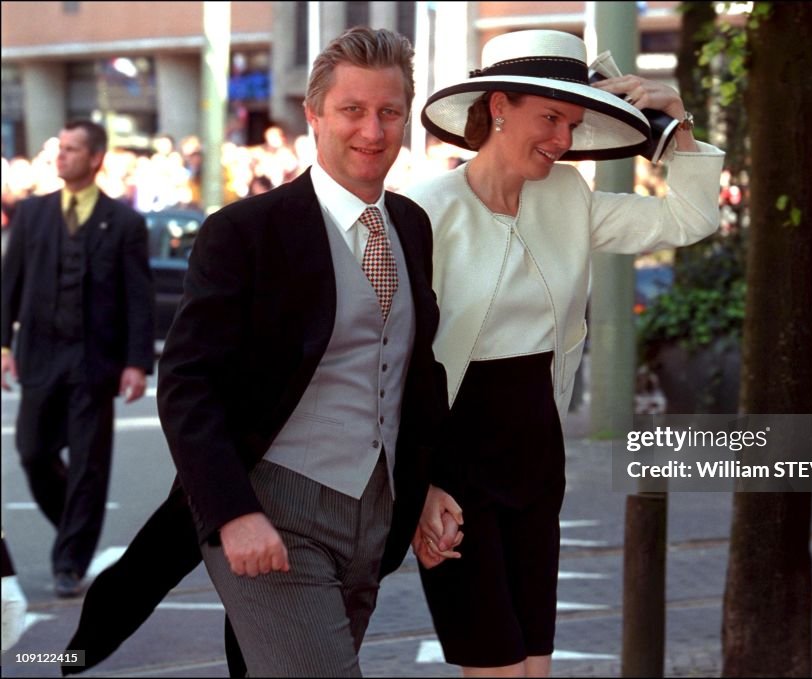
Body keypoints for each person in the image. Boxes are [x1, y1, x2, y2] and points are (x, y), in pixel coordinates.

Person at [62, 27, 456, 677]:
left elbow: (416, 370)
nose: (373, 131)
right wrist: (233, 510)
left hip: (373, 518)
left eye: (390, 113)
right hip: (271, 504)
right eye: (352, 110)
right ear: (314, 115)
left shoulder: (411, 226)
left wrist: (430, 481)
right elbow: (187, 382)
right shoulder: (246, 232)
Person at [403, 29, 725, 677]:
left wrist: (681, 124)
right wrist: (416, 484)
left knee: (533, 666)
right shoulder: (424, 209)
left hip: (536, 457)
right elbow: (394, 358)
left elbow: (691, 219)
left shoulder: (568, 197)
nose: (562, 140)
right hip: (455, 459)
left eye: (572, 124)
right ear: (498, 105)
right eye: (549, 117)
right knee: (492, 664)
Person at [0, 120, 154, 599]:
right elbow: (9, 285)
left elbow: (138, 297)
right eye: (59, 149)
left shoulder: (125, 223)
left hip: (95, 360)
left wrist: (135, 362)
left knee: (89, 463)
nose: (60, 156)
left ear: (95, 159)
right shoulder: (32, 214)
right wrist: (3, 346)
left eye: (71, 150)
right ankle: (76, 521)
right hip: (41, 355)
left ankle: (69, 561)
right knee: (32, 451)